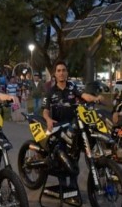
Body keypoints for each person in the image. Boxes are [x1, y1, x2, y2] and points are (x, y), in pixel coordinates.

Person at [42, 60, 103, 192]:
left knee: (74, 154)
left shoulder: (72, 87)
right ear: (55, 74)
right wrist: (48, 119)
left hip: (73, 127)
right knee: (61, 157)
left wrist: (95, 98)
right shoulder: (51, 92)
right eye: (59, 71)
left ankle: (73, 183)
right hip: (58, 128)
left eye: (64, 70)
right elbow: (45, 110)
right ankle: (63, 183)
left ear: (67, 72)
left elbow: (84, 96)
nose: (61, 73)